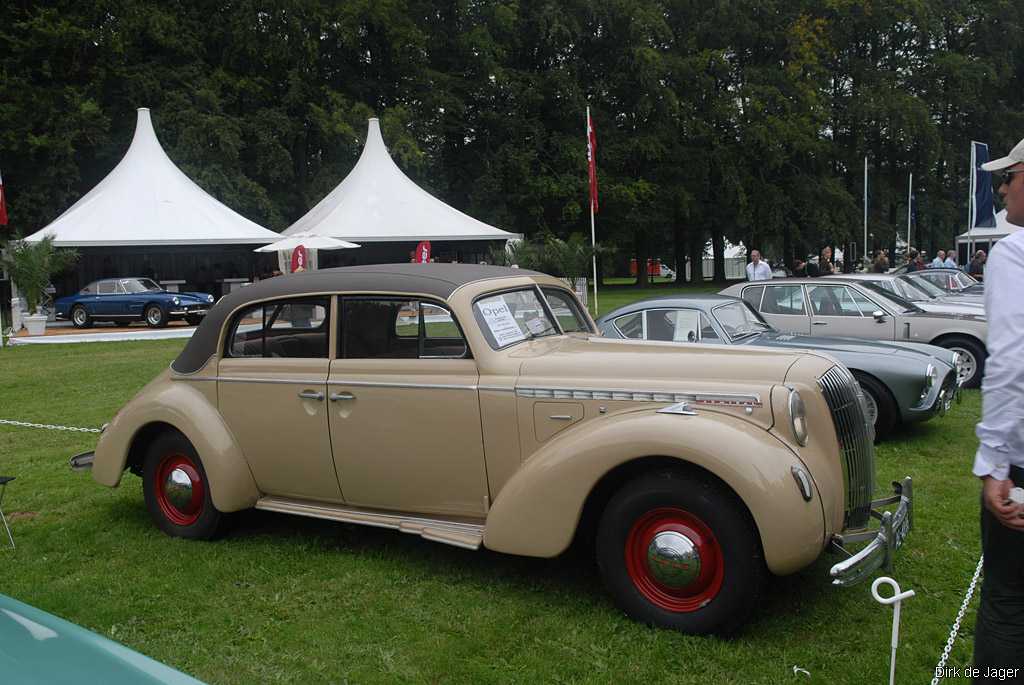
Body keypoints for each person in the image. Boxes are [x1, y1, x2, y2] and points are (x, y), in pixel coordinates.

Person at [972, 137, 1024, 683]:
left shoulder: (1014, 253)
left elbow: (1010, 362)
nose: (1002, 187)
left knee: (1007, 598)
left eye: (1009, 176)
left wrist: (996, 464)